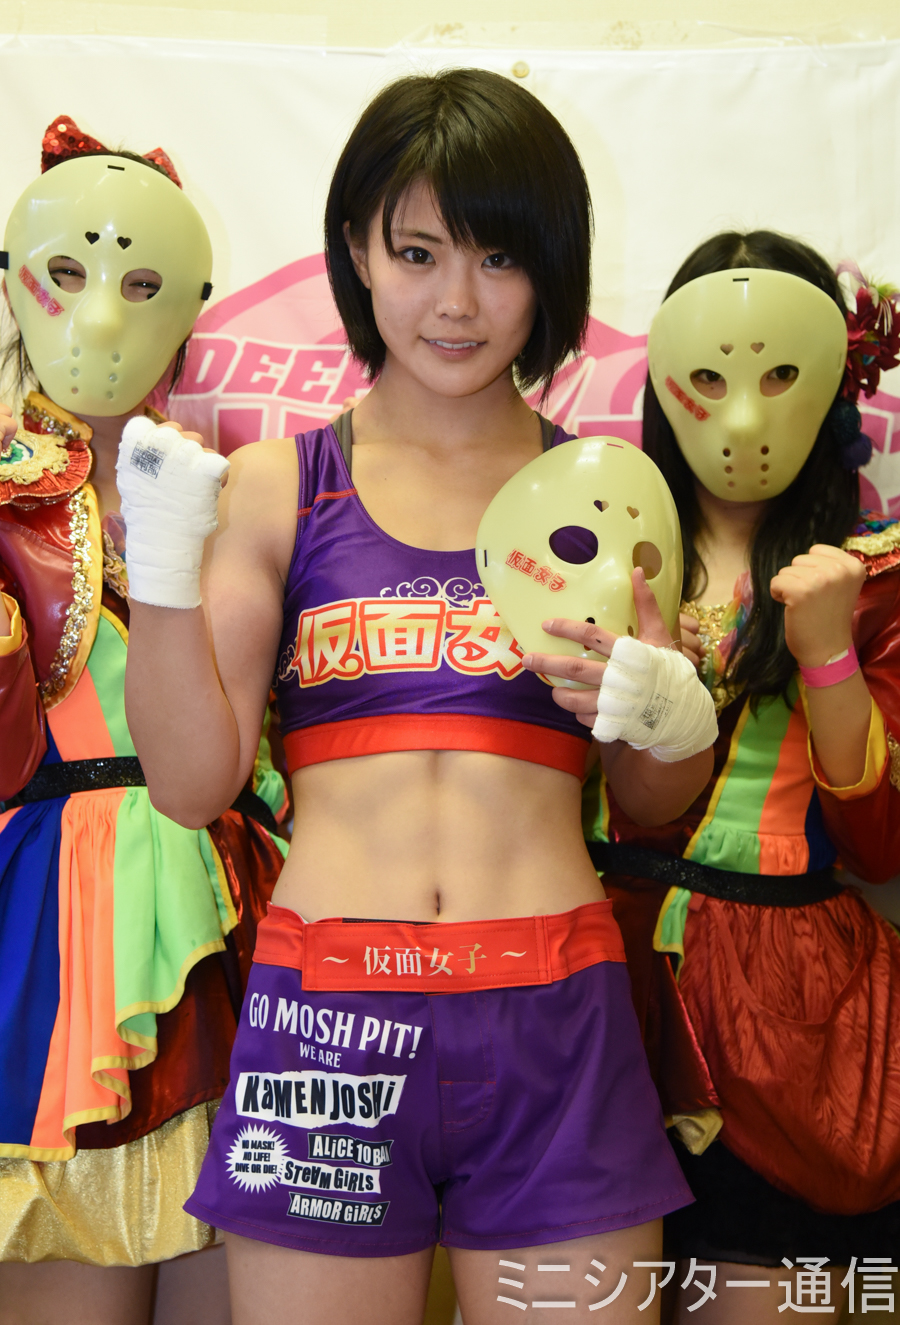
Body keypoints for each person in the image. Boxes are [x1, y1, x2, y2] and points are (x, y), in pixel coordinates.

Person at [119, 70, 720, 1325]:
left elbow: (653, 801)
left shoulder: (605, 491)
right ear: (358, 252)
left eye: (498, 257)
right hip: (327, 1022)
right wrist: (165, 572)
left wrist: (669, 714)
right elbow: (189, 782)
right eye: (418, 252)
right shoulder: (280, 485)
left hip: (557, 1018)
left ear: (549, 271)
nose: (456, 300)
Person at [579, 231, 900, 1322]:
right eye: (709, 377)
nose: (744, 414)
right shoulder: (594, 551)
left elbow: (881, 843)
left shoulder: (875, 573)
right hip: (598, 984)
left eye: (779, 374)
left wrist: (829, 651)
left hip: (785, 1012)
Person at [0, 119, 287, 1325]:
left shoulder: (248, 493)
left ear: (191, 306)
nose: (100, 316)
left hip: (233, 895)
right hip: (56, 908)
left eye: (140, 281)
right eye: (66, 272)